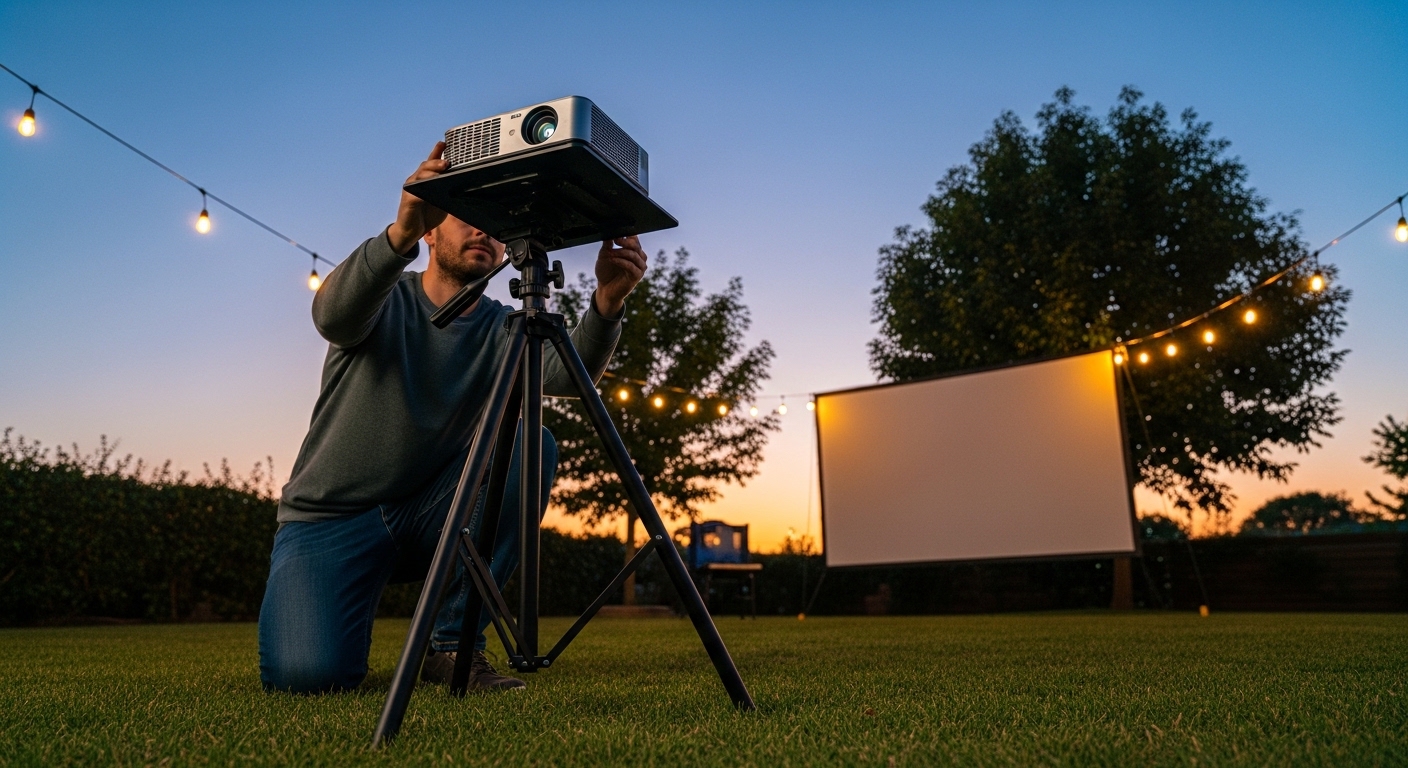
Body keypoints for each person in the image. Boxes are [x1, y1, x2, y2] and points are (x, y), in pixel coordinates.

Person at [258, 143, 648, 694]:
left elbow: (566, 376)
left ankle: (452, 646)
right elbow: (332, 314)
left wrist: (607, 302)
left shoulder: (504, 328)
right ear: (432, 232)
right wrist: (397, 234)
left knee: (531, 443)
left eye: (495, 224)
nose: (483, 231)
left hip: (432, 511)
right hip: (330, 522)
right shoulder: (383, 297)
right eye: (467, 216)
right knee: (309, 677)